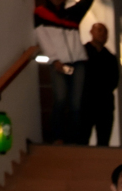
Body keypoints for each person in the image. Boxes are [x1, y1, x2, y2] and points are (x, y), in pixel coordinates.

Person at [35, 0, 92, 143]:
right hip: (59, 62)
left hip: (77, 62)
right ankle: (57, 137)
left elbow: (86, 3)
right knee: (60, 98)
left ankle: (75, 141)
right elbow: (42, 36)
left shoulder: (71, 13)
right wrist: (54, 59)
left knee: (76, 104)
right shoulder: (41, 12)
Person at [81, 22, 121, 147]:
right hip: (85, 103)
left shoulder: (110, 57)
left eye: (105, 32)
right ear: (91, 32)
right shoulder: (82, 53)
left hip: (105, 104)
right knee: (82, 139)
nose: (102, 34)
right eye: (99, 30)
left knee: (104, 142)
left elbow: (114, 81)